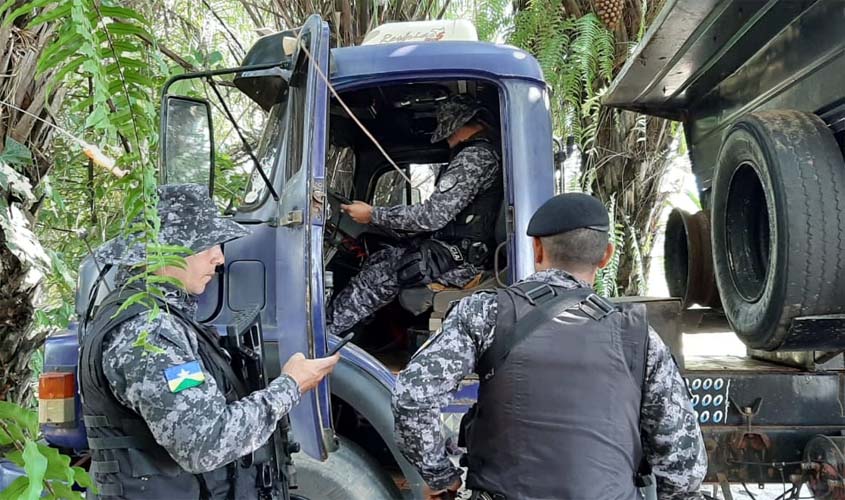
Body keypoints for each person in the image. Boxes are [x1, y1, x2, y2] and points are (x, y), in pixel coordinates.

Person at [392, 192, 708, 500]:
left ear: (537, 249)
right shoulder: (640, 337)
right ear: (607, 254)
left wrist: (441, 477)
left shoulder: (486, 313)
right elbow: (682, 464)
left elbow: (412, 399)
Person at [78, 184, 339, 499]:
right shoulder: (146, 333)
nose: (218, 257)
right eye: (206, 244)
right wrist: (291, 386)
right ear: (166, 248)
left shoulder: (162, 318)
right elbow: (205, 444)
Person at [328, 94, 503, 337]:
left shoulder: (475, 156)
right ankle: (355, 337)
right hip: (460, 253)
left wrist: (373, 215)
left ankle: (326, 337)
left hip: (462, 262)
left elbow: (433, 216)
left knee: (376, 276)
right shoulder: (483, 154)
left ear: (464, 124)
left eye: (449, 132)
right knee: (382, 258)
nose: (449, 141)